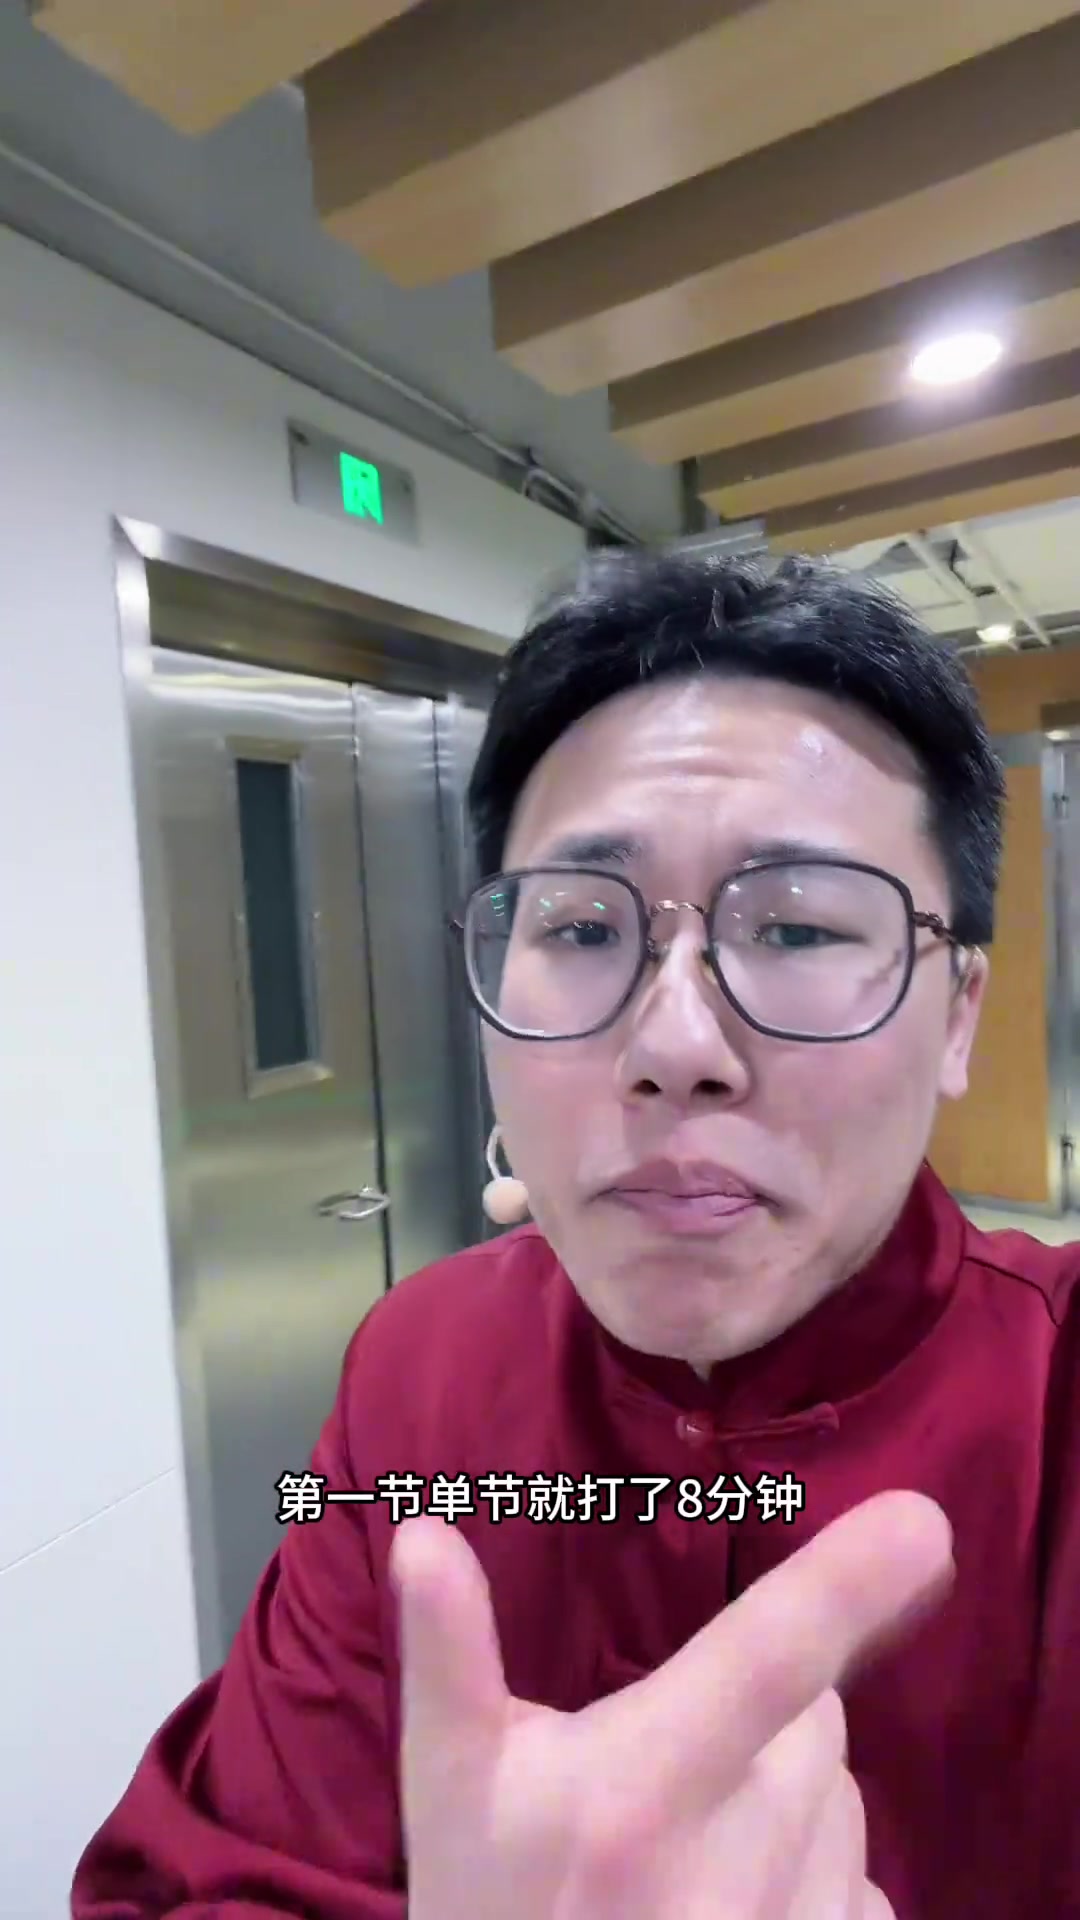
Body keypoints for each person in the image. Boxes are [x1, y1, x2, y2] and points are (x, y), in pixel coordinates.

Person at [72, 551, 1080, 1919]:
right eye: (584, 926)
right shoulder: (418, 1371)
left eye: (795, 928)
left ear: (957, 1013)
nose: (676, 1046)